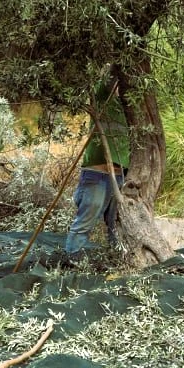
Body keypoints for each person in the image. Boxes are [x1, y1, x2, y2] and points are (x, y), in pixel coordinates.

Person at [65, 77, 131, 255]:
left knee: (115, 225)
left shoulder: (129, 108)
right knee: (84, 223)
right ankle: (72, 261)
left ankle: (116, 259)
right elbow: (109, 76)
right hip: (96, 174)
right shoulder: (102, 97)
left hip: (119, 176)